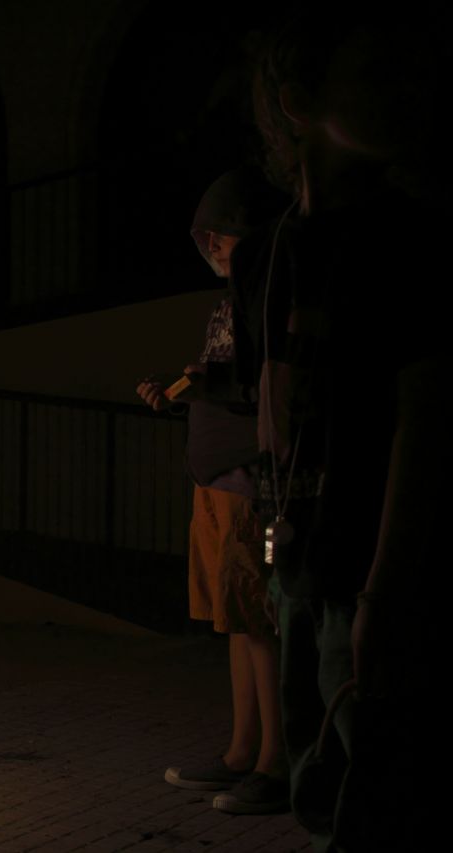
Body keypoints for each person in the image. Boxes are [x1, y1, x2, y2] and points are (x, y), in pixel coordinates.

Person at [229, 6, 445, 847]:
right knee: (324, 796)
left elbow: (424, 420)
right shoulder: (264, 258)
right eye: (375, 74)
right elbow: (271, 410)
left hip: (377, 575)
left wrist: (386, 590)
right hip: (305, 571)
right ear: (297, 99)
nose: (410, 93)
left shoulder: (413, 239)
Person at [137, 170, 288, 814]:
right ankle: (240, 752)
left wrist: (210, 388)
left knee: (258, 621)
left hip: (250, 483)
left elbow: (266, 391)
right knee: (236, 623)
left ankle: (275, 763)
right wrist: (178, 393)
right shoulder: (228, 305)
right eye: (206, 237)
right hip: (213, 483)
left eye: (222, 233)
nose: (212, 244)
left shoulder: (271, 301)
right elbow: (223, 380)